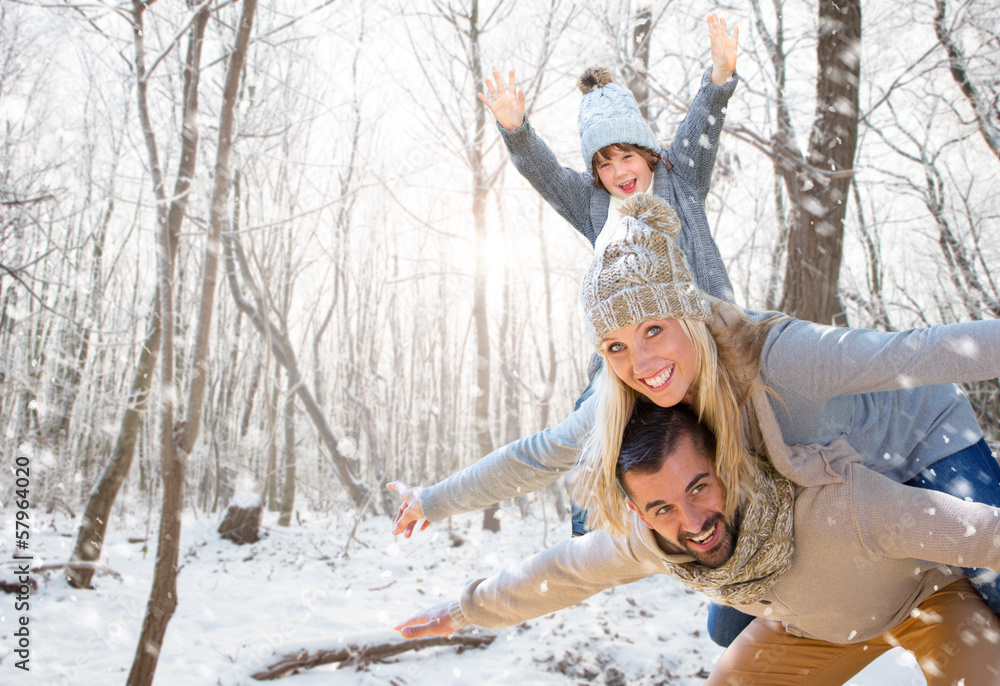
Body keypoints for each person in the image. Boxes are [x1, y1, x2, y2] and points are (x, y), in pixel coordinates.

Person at [389, 196, 1000, 646]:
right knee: (727, 622)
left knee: (992, 570)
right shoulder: (625, 403)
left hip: (922, 443)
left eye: (653, 328)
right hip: (839, 494)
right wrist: (433, 501)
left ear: (690, 317)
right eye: (616, 347)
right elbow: (537, 458)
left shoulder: (778, 358)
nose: (643, 363)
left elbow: (918, 351)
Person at [395, 401, 1000, 685]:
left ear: (726, 467)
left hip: (928, 604)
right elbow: (564, 572)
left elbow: (985, 532)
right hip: (809, 629)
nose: (692, 521)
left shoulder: (840, 504)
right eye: (662, 507)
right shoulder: (655, 541)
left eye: (700, 487)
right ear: (638, 512)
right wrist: (465, 609)